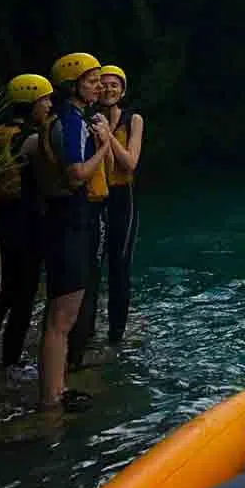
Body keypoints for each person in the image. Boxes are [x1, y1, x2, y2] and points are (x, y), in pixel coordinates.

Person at [34, 53, 111, 413]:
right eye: (93, 79)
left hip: (62, 220)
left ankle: (57, 388)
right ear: (74, 83)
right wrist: (106, 145)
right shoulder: (70, 120)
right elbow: (77, 173)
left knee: (59, 316)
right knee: (61, 319)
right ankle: (51, 398)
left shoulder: (67, 118)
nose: (99, 84)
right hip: (69, 222)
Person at [0, 75, 52, 372]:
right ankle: (11, 360)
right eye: (44, 100)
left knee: (1, 293)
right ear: (31, 102)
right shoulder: (31, 139)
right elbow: (47, 179)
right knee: (23, 295)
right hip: (27, 222)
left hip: (0, 220)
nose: (48, 105)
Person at [96, 65, 143, 346]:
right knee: (91, 267)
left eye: (115, 85)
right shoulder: (89, 118)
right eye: (104, 84)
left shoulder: (132, 119)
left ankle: (116, 335)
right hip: (95, 198)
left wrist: (108, 133)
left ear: (122, 90)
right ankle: (85, 332)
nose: (109, 89)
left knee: (119, 265)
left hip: (123, 197)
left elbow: (130, 162)